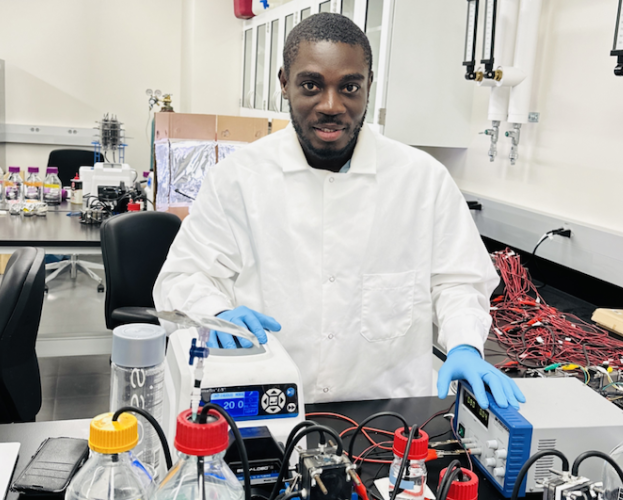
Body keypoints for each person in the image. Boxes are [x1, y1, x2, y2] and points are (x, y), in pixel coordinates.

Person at [153, 13, 524, 409]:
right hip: (269, 407)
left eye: (349, 87)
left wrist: (465, 345)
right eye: (311, 85)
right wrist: (217, 311)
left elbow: (459, 282)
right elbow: (183, 278)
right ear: (284, 83)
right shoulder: (237, 179)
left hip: (389, 420)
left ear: (368, 87)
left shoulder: (423, 180)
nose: (331, 106)